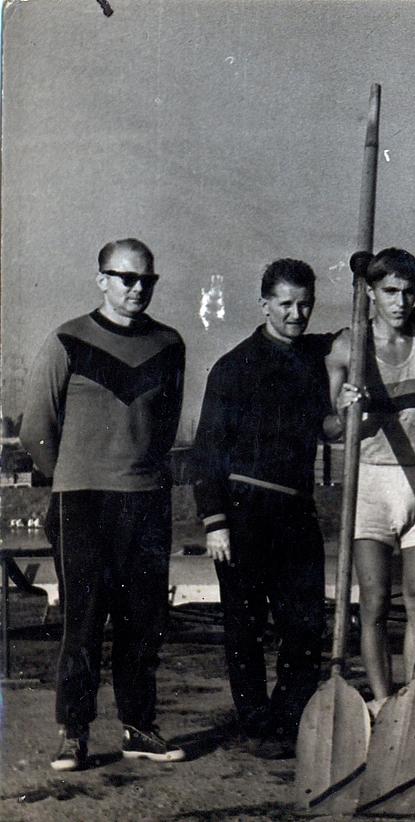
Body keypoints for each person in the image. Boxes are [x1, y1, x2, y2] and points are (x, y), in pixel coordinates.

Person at [21, 238, 187, 770]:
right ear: (102, 280)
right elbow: (35, 430)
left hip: (146, 502)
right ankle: (74, 733)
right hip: (82, 503)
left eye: (147, 280)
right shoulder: (66, 339)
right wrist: (73, 476)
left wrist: (137, 472)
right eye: (126, 278)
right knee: (84, 621)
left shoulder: (169, 344)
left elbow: (165, 425)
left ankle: (140, 729)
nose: (138, 288)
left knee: (144, 622)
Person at [191, 259, 349, 758]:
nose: (296, 314)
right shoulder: (233, 367)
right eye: (285, 304)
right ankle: (256, 723)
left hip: (297, 510)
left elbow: (361, 329)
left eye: (305, 304)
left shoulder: (315, 357)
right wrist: (215, 522)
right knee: (245, 626)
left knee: (305, 624)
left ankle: (289, 718)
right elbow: (207, 450)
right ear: (264, 304)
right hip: (243, 510)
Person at [326, 248, 415, 706]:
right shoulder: (349, 346)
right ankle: (382, 700)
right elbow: (329, 427)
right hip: (370, 481)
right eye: (389, 291)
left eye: (408, 292)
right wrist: (346, 411)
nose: (400, 302)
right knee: (375, 602)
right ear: (370, 292)